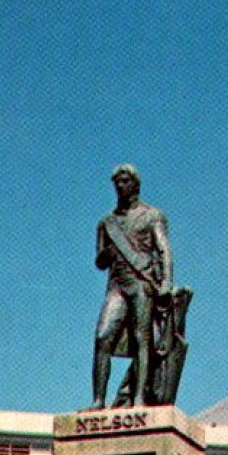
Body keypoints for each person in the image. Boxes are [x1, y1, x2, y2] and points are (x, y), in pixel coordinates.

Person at [89, 163, 174, 410]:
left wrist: (167, 281)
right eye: (117, 182)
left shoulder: (151, 215)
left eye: (125, 181)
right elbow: (100, 261)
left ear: (135, 184)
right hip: (116, 285)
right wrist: (105, 254)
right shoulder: (107, 223)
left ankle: (138, 399)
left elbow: (164, 250)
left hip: (141, 283)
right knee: (102, 336)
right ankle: (98, 401)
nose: (120, 186)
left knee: (141, 339)